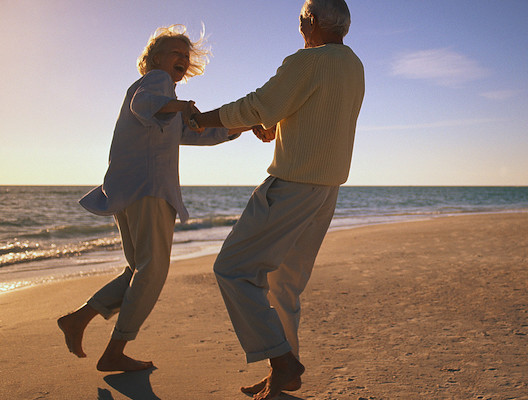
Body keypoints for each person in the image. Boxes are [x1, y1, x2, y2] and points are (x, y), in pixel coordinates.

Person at [187, 0, 364, 398]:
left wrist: (201, 120)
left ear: (311, 21)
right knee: (284, 285)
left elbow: (257, 104)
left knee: (233, 269)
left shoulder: (308, 61)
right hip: (326, 191)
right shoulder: (353, 66)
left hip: (292, 186)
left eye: (302, 20)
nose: (300, 28)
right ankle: (285, 374)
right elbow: (314, 113)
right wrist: (272, 124)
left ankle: (282, 361)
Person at [57, 25, 245, 372]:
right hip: (148, 191)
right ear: (156, 58)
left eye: (186, 56)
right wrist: (181, 105)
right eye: (176, 52)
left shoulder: (164, 102)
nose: (183, 59)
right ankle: (115, 350)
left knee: (139, 269)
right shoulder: (155, 84)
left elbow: (197, 133)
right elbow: (144, 104)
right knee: (153, 270)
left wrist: (240, 125)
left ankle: (79, 319)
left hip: (127, 192)